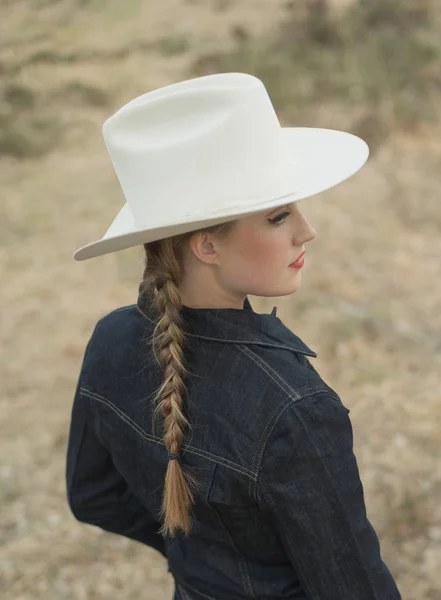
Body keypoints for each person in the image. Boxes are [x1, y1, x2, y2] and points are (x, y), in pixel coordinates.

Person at [65, 72, 401, 600]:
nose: (306, 230)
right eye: (277, 215)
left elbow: (93, 496)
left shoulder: (110, 341)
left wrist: (199, 562)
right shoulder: (294, 408)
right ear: (206, 246)